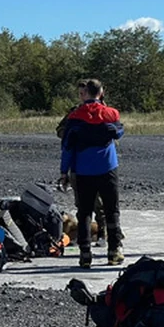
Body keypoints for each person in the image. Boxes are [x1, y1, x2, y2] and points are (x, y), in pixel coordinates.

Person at [58, 79, 125, 268]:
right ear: (101, 92)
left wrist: (64, 171)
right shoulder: (111, 113)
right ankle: (114, 251)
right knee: (112, 210)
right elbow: (119, 132)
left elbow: (67, 147)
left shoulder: (75, 116)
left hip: (83, 170)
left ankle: (85, 253)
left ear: (85, 92)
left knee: (84, 212)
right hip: (107, 167)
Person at [56, 80, 107, 246]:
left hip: (99, 164)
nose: (82, 96)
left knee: (100, 203)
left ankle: (103, 234)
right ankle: (84, 236)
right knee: (81, 204)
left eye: (84, 93)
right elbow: (60, 130)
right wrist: (72, 135)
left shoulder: (104, 111)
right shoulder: (75, 113)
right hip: (78, 163)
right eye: (80, 93)